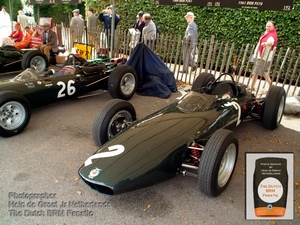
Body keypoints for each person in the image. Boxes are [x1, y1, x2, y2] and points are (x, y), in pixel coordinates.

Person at [249, 21, 278, 92]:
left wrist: (266, 43)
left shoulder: (272, 35)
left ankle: (252, 86)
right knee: (264, 72)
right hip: (262, 55)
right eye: (267, 26)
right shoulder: (267, 33)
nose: (268, 27)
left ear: (273, 27)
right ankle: (272, 86)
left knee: (255, 72)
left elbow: (271, 42)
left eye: (269, 26)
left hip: (263, 56)